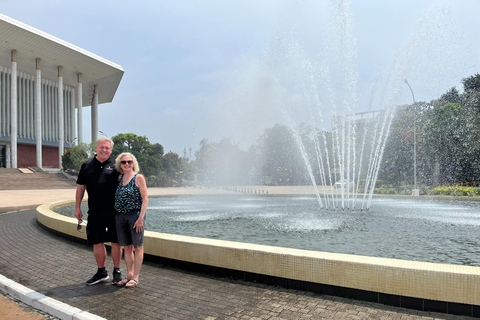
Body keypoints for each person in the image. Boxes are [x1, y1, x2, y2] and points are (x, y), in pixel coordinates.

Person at [75, 137, 123, 285]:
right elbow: (81, 187)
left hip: (114, 211)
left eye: (107, 148)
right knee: (97, 241)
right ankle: (101, 272)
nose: (104, 150)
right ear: (96, 148)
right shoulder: (86, 165)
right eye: (102, 147)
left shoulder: (117, 165)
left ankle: (117, 271)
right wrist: (77, 207)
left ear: (111, 150)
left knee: (116, 241)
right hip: (94, 211)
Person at [114, 152, 148, 288]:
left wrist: (140, 218)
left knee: (137, 247)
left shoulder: (138, 178)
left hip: (135, 216)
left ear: (133, 163)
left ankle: (136, 277)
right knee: (127, 247)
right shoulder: (120, 178)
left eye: (129, 162)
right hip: (121, 216)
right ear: (120, 165)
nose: (127, 164)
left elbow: (145, 199)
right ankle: (129, 274)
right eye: (124, 162)